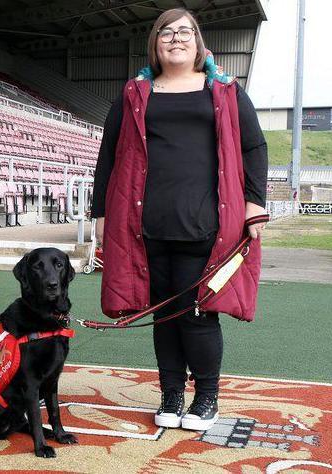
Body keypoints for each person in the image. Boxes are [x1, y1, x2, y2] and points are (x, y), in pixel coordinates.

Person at [90, 8, 268, 432]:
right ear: (155, 42)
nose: (176, 38)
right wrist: (99, 212)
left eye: (185, 31)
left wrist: (254, 203)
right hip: (145, 225)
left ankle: (206, 398)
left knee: (198, 313)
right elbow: (108, 154)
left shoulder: (224, 90)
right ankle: (171, 395)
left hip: (206, 223)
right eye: (166, 32)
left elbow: (254, 148)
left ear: (199, 41)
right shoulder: (135, 92)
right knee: (164, 314)